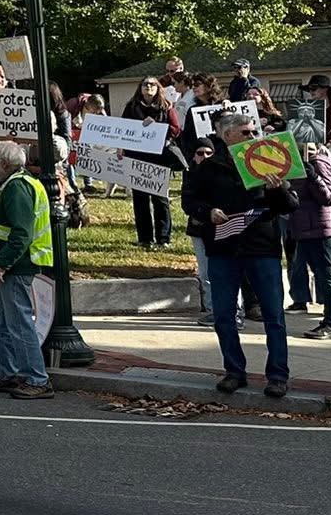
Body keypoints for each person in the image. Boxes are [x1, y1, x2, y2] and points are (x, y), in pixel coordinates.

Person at [181, 110, 294, 397]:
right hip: (224, 249)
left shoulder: (267, 158)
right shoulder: (209, 167)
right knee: (224, 315)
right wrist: (208, 212)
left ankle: (278, 376)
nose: (253, 137)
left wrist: (276, 190)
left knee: (273, 315)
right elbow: (189, 199)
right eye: (246, 132)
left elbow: (289, 205)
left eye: (254, 131)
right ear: (227, 135)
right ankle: (234, 370)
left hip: (262, 247)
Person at [0, 140, 56, 400]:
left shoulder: (17, 189)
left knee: (19, 323)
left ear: (5, 165)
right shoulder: (12, 184)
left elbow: (21, 233)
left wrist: (2, 264)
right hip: (12, 265)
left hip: (17, 266)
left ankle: (37, 378)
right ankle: (7, 372)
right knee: (6, 322)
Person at [289, 140, 331, 340]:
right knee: (322, 275)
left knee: (325, 276)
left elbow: (329, 197)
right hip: (304, 228)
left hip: (319, 229)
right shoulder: (294, 166)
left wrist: (312, 176)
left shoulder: (318, 163)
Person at [119, 75, 182, 248]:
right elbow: (123, 130)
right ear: (140, 88)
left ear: (158, 88)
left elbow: (176, 130)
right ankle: (145, 238)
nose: (149, 87)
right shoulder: (131, 107)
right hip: (137, 156)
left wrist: (157, 126)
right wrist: (120, 147)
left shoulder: (166, 107)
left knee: (160, 199)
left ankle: (163, 238)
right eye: (145, 84)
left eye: (152, 84)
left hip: (158, 157)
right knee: (140, 199)